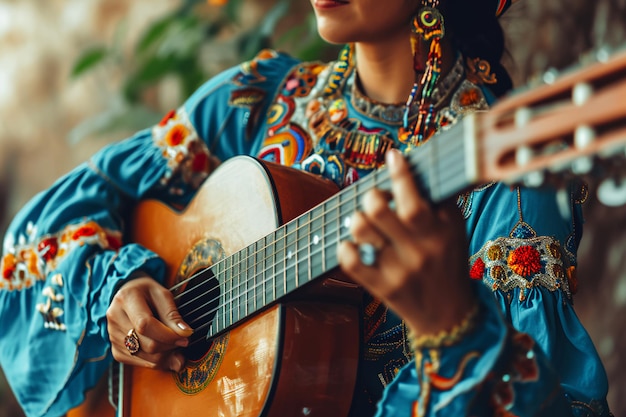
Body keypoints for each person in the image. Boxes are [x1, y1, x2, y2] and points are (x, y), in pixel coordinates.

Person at [0, 0, 611, 416]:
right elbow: (42, 235)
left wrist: (451, 331)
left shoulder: (508, 180)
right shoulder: (256, 101)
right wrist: (123, 283)